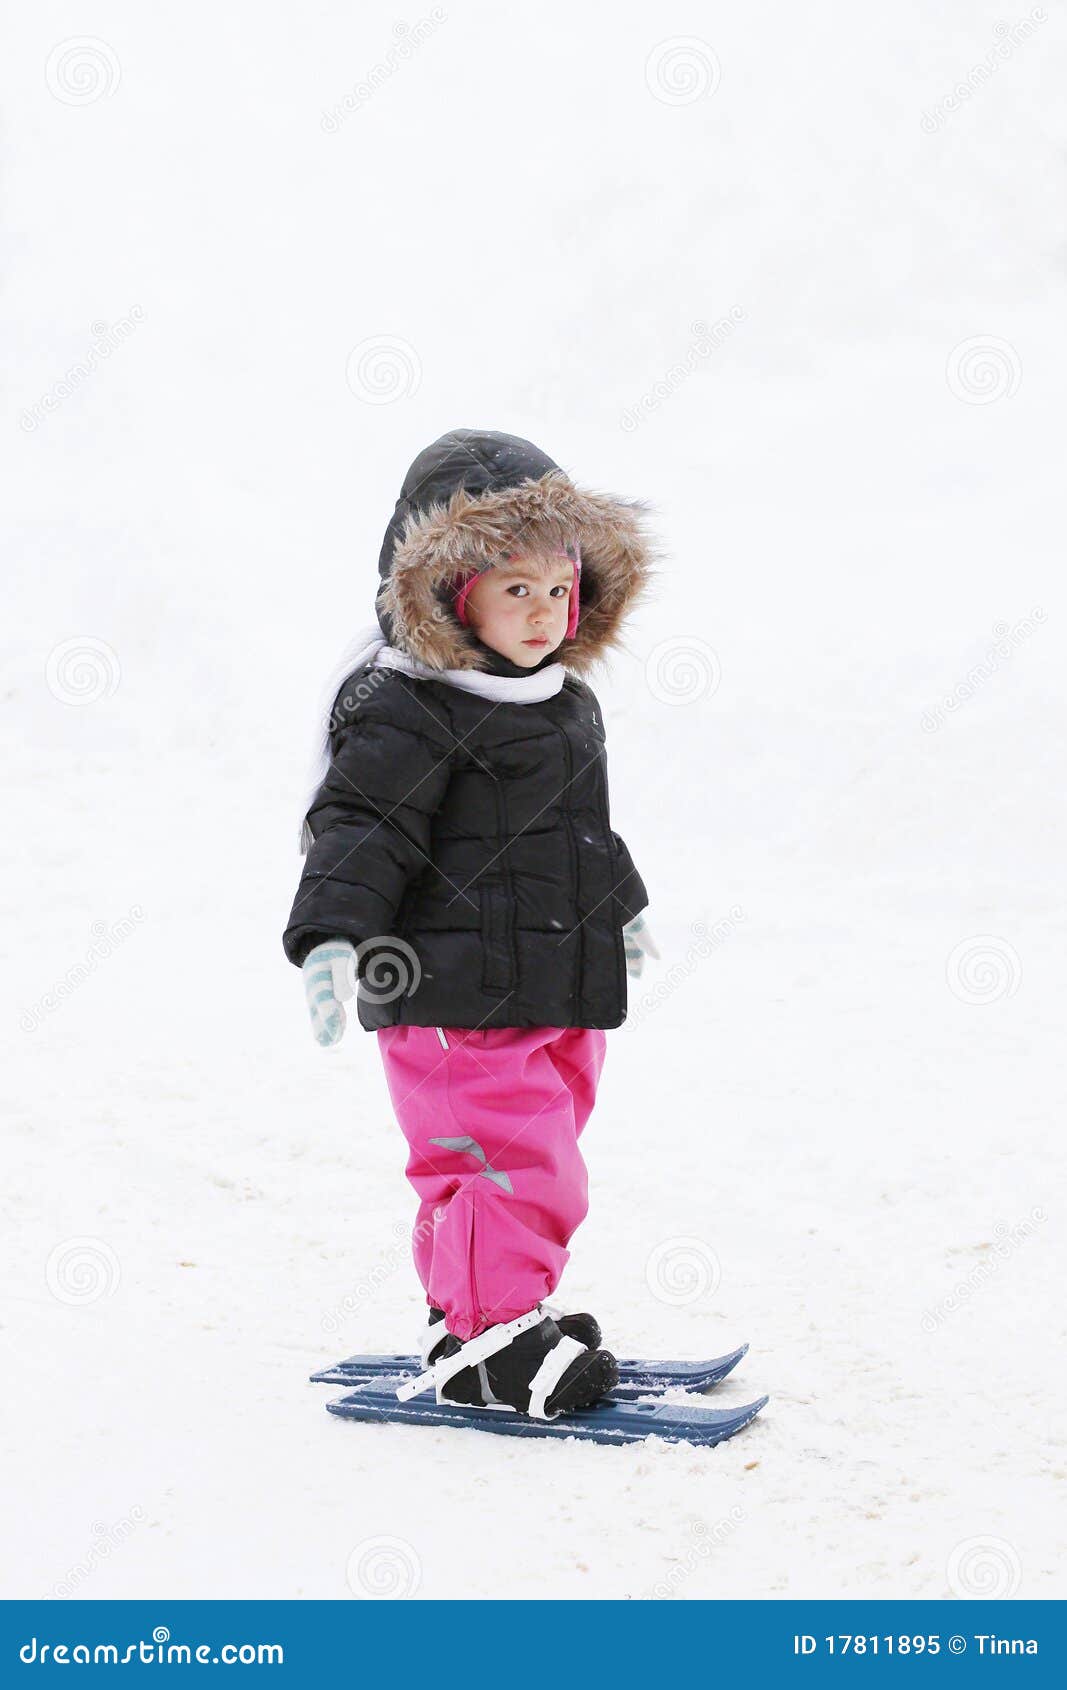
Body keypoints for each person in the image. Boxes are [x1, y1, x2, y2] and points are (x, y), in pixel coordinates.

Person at [283, 428, 660, 1421]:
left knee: (547, 1153)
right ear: (453, 594)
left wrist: (617, 909)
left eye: (557, 587)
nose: (542, 614)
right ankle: (491, 1342)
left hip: (550, 979)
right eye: (513, 590)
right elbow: (362, 827)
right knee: (505, 1159)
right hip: (449, 993)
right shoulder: (408, 709)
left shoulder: (558, 701)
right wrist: (332, 932)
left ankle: (480, 1310)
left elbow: (577, 831)